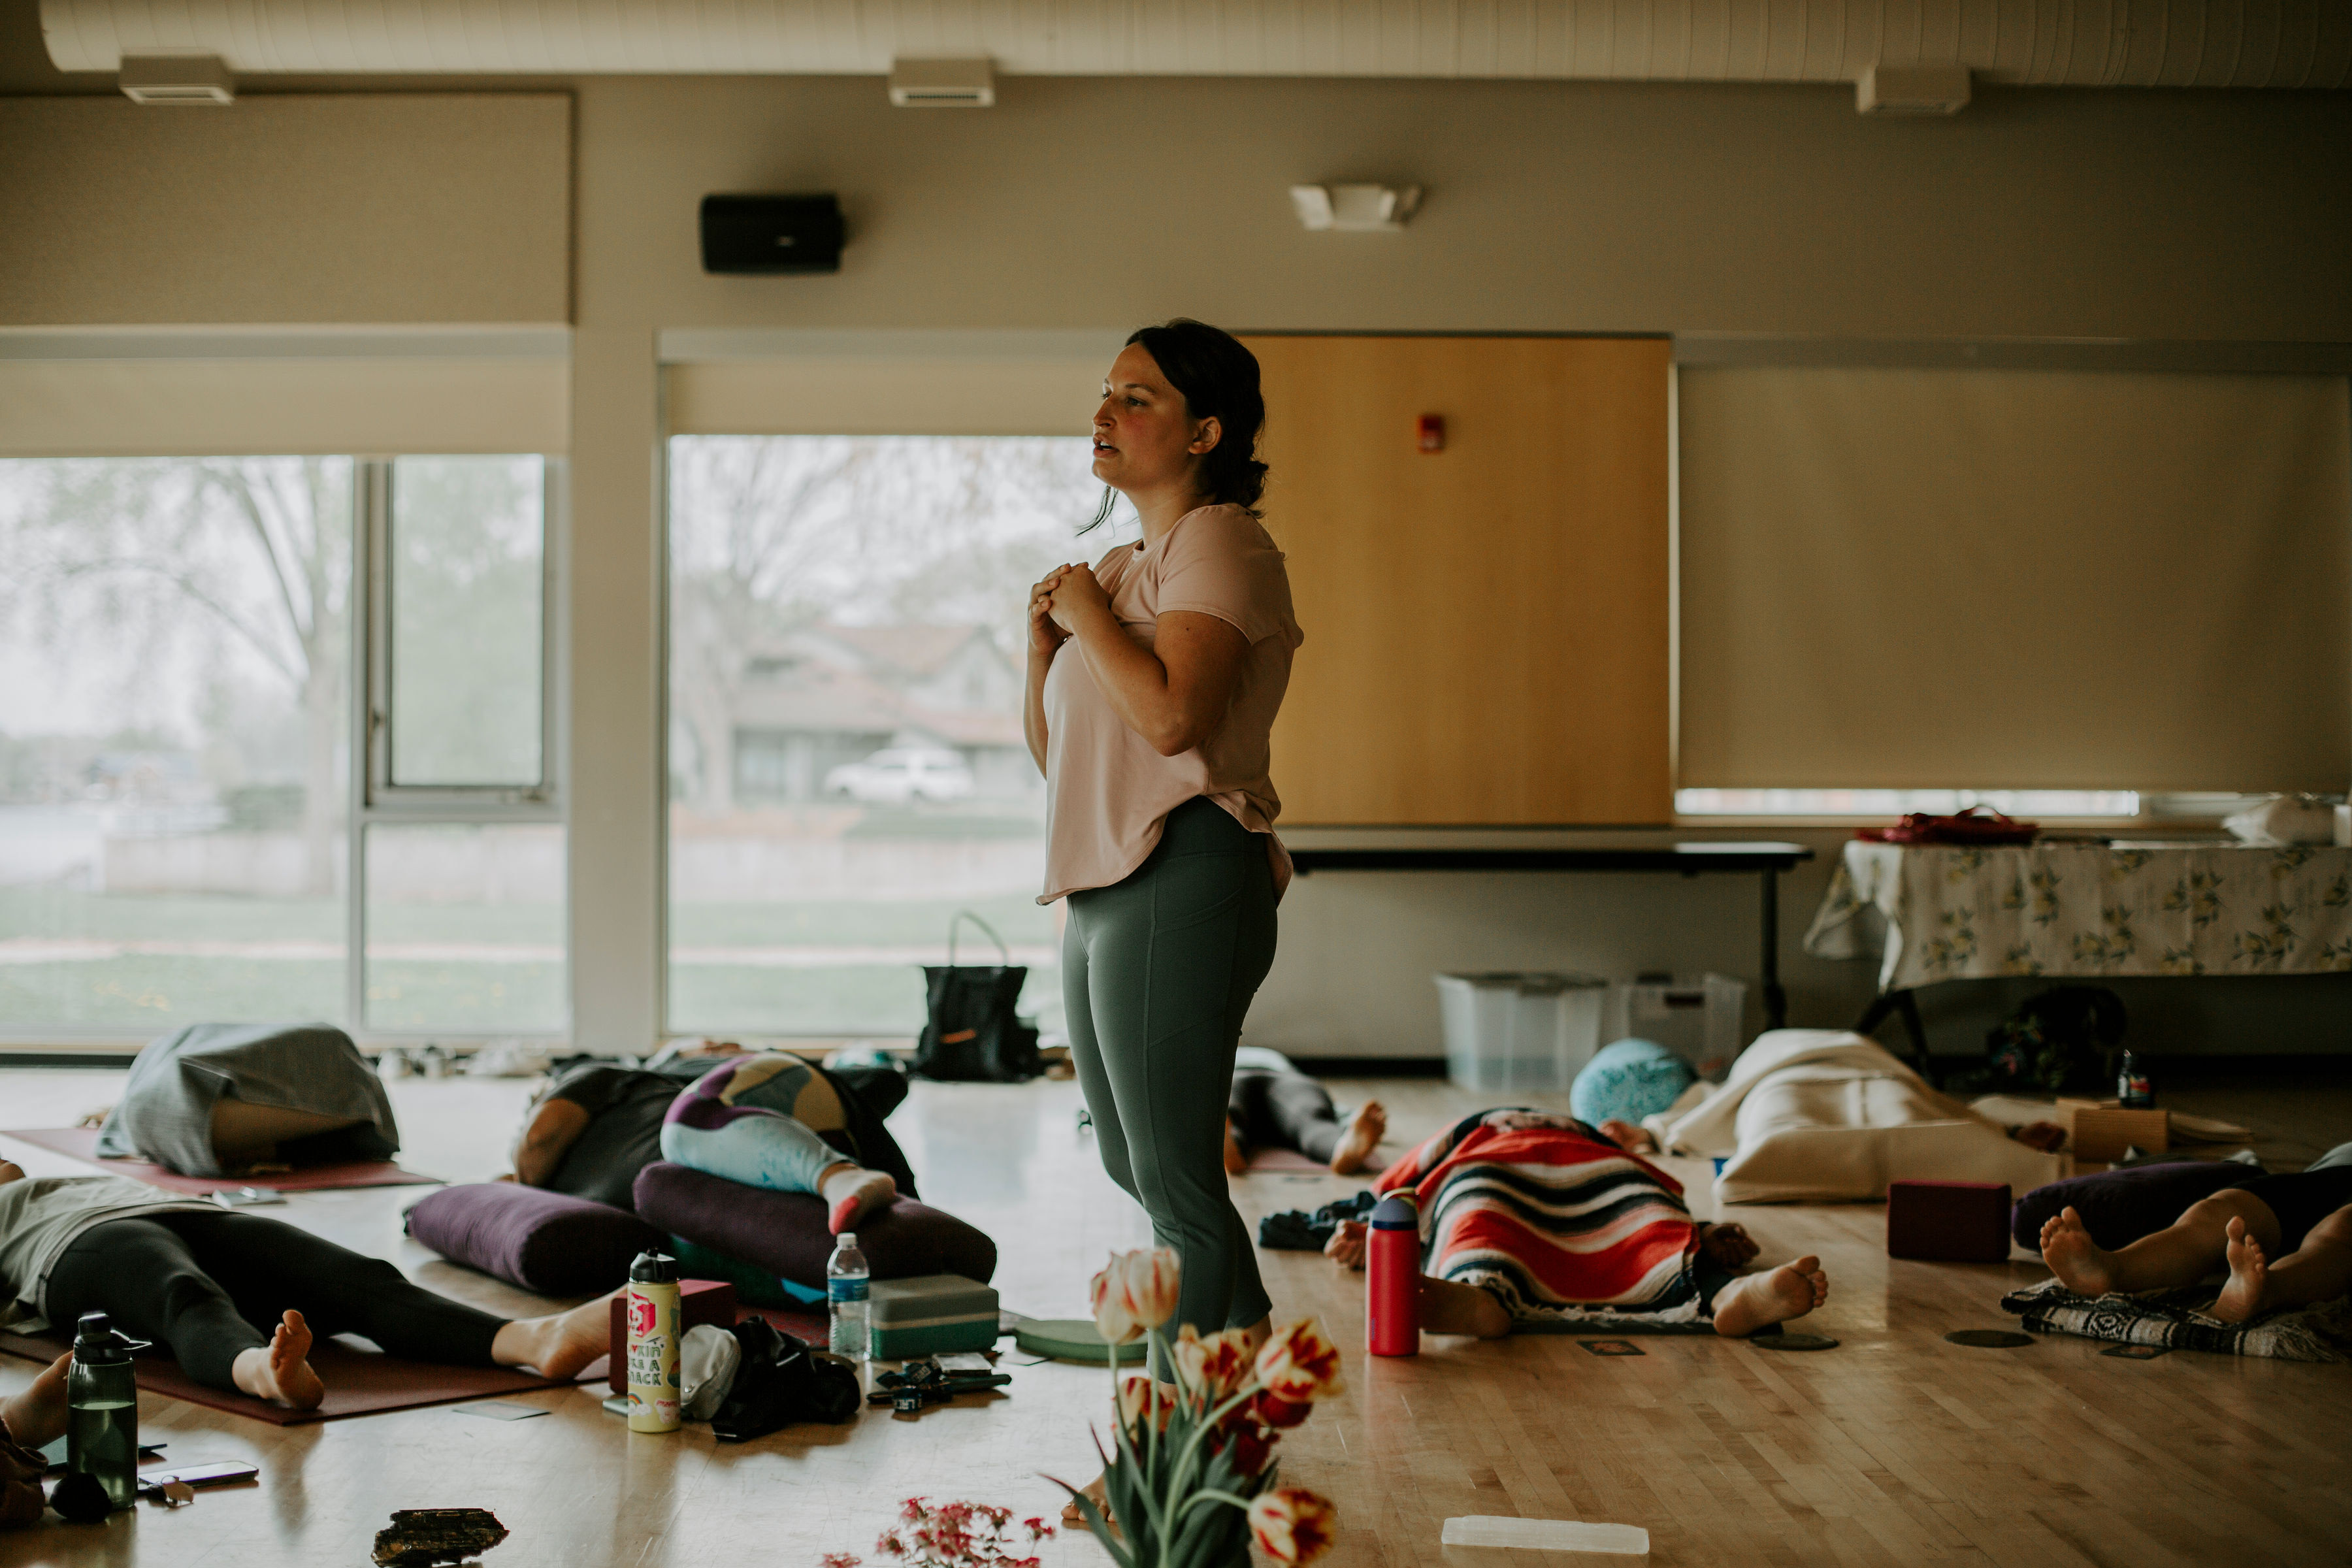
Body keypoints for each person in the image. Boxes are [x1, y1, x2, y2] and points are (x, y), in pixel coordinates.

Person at [1029, 320, 1303, 1350]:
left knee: (1178, 1182)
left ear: (1206, 432)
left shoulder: (1221, 540)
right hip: (1104, 891)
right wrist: (1043, 647)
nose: (1105, 412)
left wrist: (1092, 617)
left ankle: (1175, 1441)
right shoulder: (1124, 564)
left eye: (1138, 397)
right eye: (1106, 391)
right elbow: (1065, 755)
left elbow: (1176, 720)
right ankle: (1252, 1358)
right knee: (1130, 1163)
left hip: (1183, 867)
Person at [0, 1161, 612, 1420]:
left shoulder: (67, 1176)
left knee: (361, 1280)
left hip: (199, 1217)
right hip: (74, 1245)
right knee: (183, 1294)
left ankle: (535, 1338)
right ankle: (262, 1371)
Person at [1322, 1109, 1831, 1339]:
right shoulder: (1592, 1137)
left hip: (1492, 1167)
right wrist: (1700, 1228)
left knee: (1480, 1217)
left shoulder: (1472, 1130)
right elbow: (1660, 1192)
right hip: (1600, 1173)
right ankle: (1723, 1294)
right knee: (1645, 1223)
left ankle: (1482, 1296)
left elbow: (1399, 1188)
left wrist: (1375, 1228)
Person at [507, 1045, 914, 1232]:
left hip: (761, 1097)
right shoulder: (576, 1191)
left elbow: (540, 1137)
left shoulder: (597, 1077)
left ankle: (836, 1176)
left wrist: (517, 1165)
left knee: (686, 1127)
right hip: (761, 1163)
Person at [2038, 1162, 2352, 1323]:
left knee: (2340, 1234)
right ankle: (2113, 1269)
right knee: (2214, 1213)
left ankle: (2266, 1289)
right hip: (2329, 1178)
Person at [1222, 1055, 1386, 1176]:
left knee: (1228, 1114)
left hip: (1235, 1079)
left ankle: (1227, 1144)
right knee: (1311, 1121)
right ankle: (1340, 1147)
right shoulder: (1268, 1055)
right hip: (1289, 1082)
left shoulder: (1220, 1056)